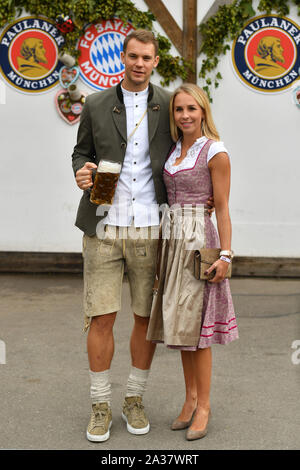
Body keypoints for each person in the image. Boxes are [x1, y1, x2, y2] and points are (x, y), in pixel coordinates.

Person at [71, 30, 214, 443]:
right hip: (102, 224)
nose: (138, 63)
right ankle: (100, 404)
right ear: (123, 56)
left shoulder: (169, 103)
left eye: (146, 58)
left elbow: (192, 144)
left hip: (153, 228)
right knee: (101, 316)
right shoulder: (96, 103)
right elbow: (82, 152)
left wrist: (201, 196)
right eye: (132, 56)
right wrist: (82, 171)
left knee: (143, 318)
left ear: (155, 61)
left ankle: (134, 398)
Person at [147, 83, 239, 441]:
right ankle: (189, 400)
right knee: (182, 327)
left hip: (200, 241)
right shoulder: (174, 150)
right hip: (172, 240)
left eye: (191, 109)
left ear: (203, 112)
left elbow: (224, 207)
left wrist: (227, 255)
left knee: (198, 331)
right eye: (179, 110)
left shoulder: (215, 151)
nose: (185, 115)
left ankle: (204, 406)